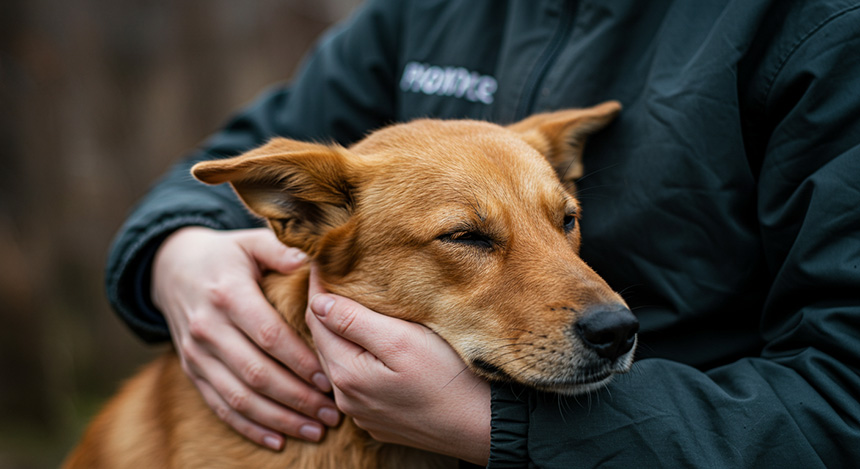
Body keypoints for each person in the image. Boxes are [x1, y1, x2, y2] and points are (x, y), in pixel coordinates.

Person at [106, 0, 860, 466]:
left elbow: (840, 403)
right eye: (470, 237)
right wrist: (176, 248)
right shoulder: (418, 11)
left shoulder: (820, 27)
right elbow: (231, 158)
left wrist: (494, 425)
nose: (609, 313)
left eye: (566, 220)